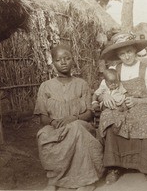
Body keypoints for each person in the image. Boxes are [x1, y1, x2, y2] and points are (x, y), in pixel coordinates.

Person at [99, 32, 147, 184]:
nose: (127, 57)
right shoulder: (114, 70)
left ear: (135, 50)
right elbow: (102, 91)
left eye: (129, 52)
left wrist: (136, 101)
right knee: (109, 118)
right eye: (122, 54)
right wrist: (106, 96)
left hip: (142, 104)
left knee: (144, 122)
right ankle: (114, 167)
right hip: (120, 107)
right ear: (118, 55)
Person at [34, 45, 104, 191]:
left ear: (73, 60)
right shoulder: (45, 86)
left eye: (67, 58)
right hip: (55, 126)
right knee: (43, 134)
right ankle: (54, 180)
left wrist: (73, 118)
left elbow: (90, 113)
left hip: (80, 123)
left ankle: (86, 181)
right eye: (59, 60)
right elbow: (43, 117)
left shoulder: (81, 84)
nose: (64, 62)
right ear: (53, 62)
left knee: (76, 128)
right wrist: (53, 122)